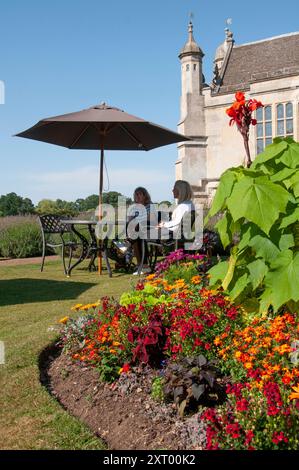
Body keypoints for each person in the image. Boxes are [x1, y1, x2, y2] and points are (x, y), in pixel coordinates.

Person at [126, 187, 158, 275]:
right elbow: (129, 219)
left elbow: (151, 218)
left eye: (139, 194)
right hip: (138, 231)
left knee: (135, 232)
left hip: (149, 229)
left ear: (145, 195)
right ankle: (143, 266)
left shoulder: (150, 205)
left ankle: (128, 244)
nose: (137, 196)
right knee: (135, 235)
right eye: (136, 194)